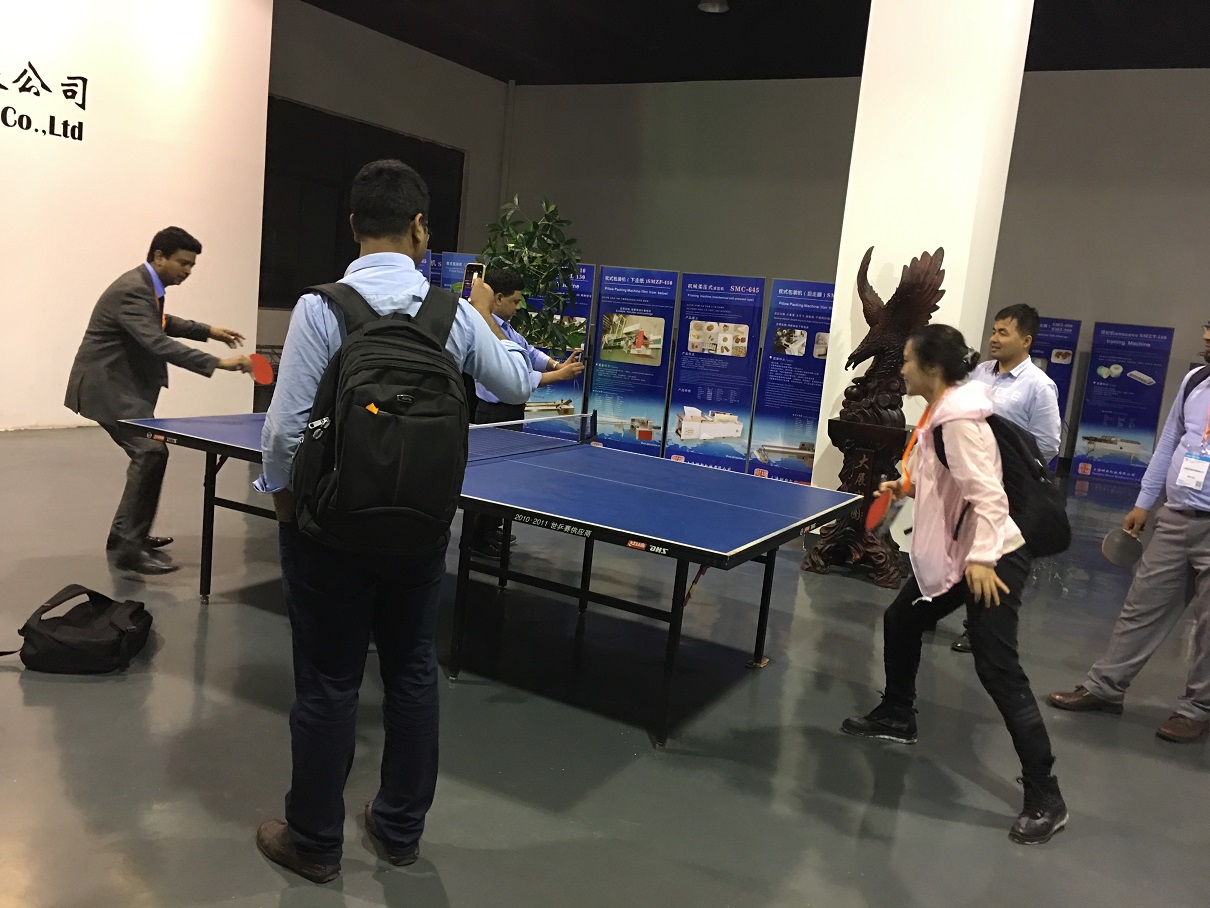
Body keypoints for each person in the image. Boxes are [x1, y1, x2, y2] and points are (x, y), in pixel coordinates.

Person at [253, 159, 535, 884]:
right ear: (419, 228)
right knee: (411, 672)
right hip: (419, 529)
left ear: (353, 226)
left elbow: (283, 432)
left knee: (328, 681)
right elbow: (515, 384)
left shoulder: (322, 307)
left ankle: (314, 842)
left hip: (329, 529)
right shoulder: (452, 313)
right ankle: (400, 828)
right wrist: (481, 311)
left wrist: (284, 501)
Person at [842, 324, 1067, 846]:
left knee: (997, 667)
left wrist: (983, 561)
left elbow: (989, 498)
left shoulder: (959, 421)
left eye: (906, 360)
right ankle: (898, 713)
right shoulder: (943, 412)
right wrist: (906, 485)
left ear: (931, 368)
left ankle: (1046, 795)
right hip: (967, 549)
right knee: (902, 620)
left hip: (993, 553)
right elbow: (946, 474)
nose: (901, 369)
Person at [1048, 321, 1210, 744]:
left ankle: (1197, 709)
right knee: (1142, 606)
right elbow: (1170, 442)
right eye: (1207, 327)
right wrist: (1144, 500)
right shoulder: (1196, 380)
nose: (1206, 336)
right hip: (1176, 516)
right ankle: (1105, 688)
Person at [64, 227, 253, 575]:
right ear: (159, 257)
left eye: (192, 265)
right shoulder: (133, 289)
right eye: (183, 263)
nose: (188, 271)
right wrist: (218, 363)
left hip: (121, 387)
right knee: (151, 452)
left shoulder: (146, 286)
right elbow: (157, 341)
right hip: (108, 388)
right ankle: (129, 549)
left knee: (150, 453)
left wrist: (208, 330)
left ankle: (123, 535)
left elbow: (161, 321)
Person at [950, 303, 1061, 652]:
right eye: (993, 331)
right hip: (971, 480)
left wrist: (1012, 470)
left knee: (995, 559)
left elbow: (1047, 443)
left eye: (1003, 333)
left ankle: (979, 629)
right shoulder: (979, 373)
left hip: (1010, 490)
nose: (994, 339)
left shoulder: (1039, 387)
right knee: (964, 549)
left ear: (1026, 340)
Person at [469, 265, 585, 556]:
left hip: (509, 414)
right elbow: (517, 376)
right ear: (497, 298)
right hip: (493, 415)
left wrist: (556, 364)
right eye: (515, 301)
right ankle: (476, 541)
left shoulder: (506, 328)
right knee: (489, 481)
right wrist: (559, 376)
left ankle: (489, 530)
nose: (518, 307)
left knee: (504, 476)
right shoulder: (486, 330)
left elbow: (528, 352)